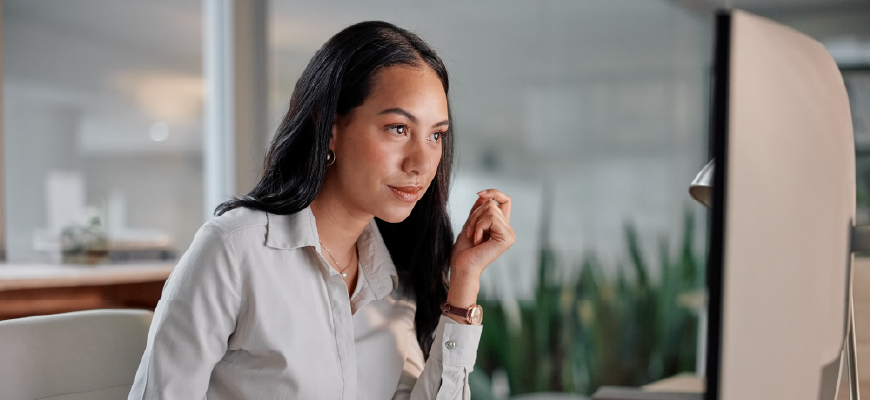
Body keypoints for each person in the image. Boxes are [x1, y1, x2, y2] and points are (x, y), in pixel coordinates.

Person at [129, 21, 515, 400]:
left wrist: (464, 279)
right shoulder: (234, 250)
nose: (421, 162)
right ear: (330, 128)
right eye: (398, 128)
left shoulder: (396, 279)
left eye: (436, 135)